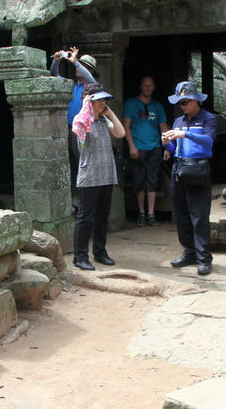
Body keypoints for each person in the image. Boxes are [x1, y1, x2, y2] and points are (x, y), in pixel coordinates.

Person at [163, 81, 216, 276]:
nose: (182, 106)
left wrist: (185, 134)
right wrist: (167, 143)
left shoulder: (208, 119)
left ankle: (204, 257)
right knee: (182, 213)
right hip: (179, 167)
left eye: (185, 102)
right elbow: (173, 149)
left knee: (199, 215)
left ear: (195, 100)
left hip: (199, 168)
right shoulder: (179, 121)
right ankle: (189, 252)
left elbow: (209, 140)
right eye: (180, 103)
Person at [71, 84, 126, 271]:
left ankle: (100, 252)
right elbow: (77, 129)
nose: (103, 103)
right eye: (99, 100)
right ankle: (80, 256)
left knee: (102, 217)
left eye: (104, 100)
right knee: (85, 217)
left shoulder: (104, 122)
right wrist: (85, 107)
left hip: (107, 175)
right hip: (89, 176)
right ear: (89, 101)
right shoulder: (81, 120)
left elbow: (121, 132)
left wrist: (110, 113)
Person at [50, 47, 98, 194]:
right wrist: (56, 61)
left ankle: (84, 199)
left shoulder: (91, 86)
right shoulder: (71, 85)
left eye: (84, 66)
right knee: (68, 165)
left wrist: (76, 62)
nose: (79, 67)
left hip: (82, 131)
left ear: (89, 70)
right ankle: (74, 201)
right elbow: (54, 75)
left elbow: (91, 79)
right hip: (67, 129)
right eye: (79, 65)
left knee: (82, 165)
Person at [124, 76, 169, 226]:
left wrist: (167, 146)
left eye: (150, 85)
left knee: (152, 180)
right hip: (138, 147)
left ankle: (151, 213)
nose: (148, 88)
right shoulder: (131, 104)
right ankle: (141, 213)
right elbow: (126, 126)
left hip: (154, 147)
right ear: (140, 87)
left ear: (154, 87)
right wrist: (131, 146)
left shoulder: (158, 106)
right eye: (145, 85)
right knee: (138, 181)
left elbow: (163, 127)